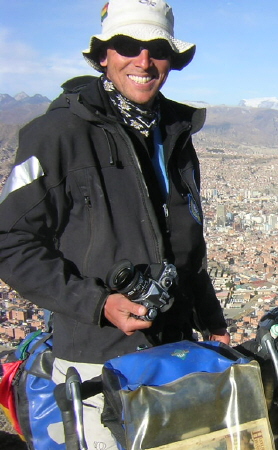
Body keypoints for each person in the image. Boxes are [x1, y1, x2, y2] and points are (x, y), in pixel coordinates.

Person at [0, 0, 230, 447]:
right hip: (94, 362)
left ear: (171, 60)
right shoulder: (58, 134)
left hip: (171, 357)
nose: (143, 61)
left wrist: (210, 317)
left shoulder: (177, 136)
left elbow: (187, 245)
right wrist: (97, 302)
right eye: (128, 45)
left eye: (157, 48)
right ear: (104, 55)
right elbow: (9, 240)